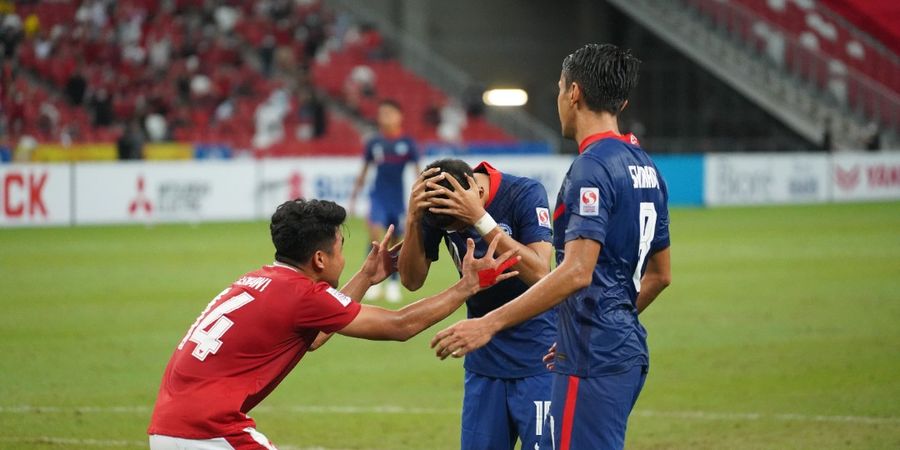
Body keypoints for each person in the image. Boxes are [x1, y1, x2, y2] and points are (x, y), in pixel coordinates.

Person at [430, 43, 672, 450]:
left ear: (573, 93)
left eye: (560, 88)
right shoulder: (645, 165)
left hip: (595, 356)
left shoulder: (592, 168)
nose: (559, 99)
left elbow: (576, 271)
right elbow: (661, 274)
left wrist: (488, 323)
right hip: (624, 348)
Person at [148, 198, 519, 450]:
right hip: (207, 433)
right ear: (321, 259)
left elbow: (313, 338)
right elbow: (399, 325)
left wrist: (365, 277)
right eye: (342, 247)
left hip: (168, 428)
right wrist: (466, 286)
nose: (345, 255)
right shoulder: (301, 296)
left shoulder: (260, 280)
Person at [398, 159, 555, 450]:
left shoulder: (524, 193)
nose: (460, 232)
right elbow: (411, 280)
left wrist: (479, 219)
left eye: (461, 224)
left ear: (476, 193)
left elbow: (540, 273)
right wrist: (412, 219)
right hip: (483, 358)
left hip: (539, 357)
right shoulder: (439, 206)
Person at [349, 99, 420, 302]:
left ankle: (392, 282)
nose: (385, 118)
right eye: (382, 114)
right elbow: (364, 171)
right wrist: (354, 198)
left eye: (389, 113)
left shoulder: (407, 143)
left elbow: (417, 173)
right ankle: (369, 281)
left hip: (397, 200)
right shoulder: (374, 143)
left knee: (397, 241)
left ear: (399, 116)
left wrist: (421, 199)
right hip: (377, 197)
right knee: (374, 236)